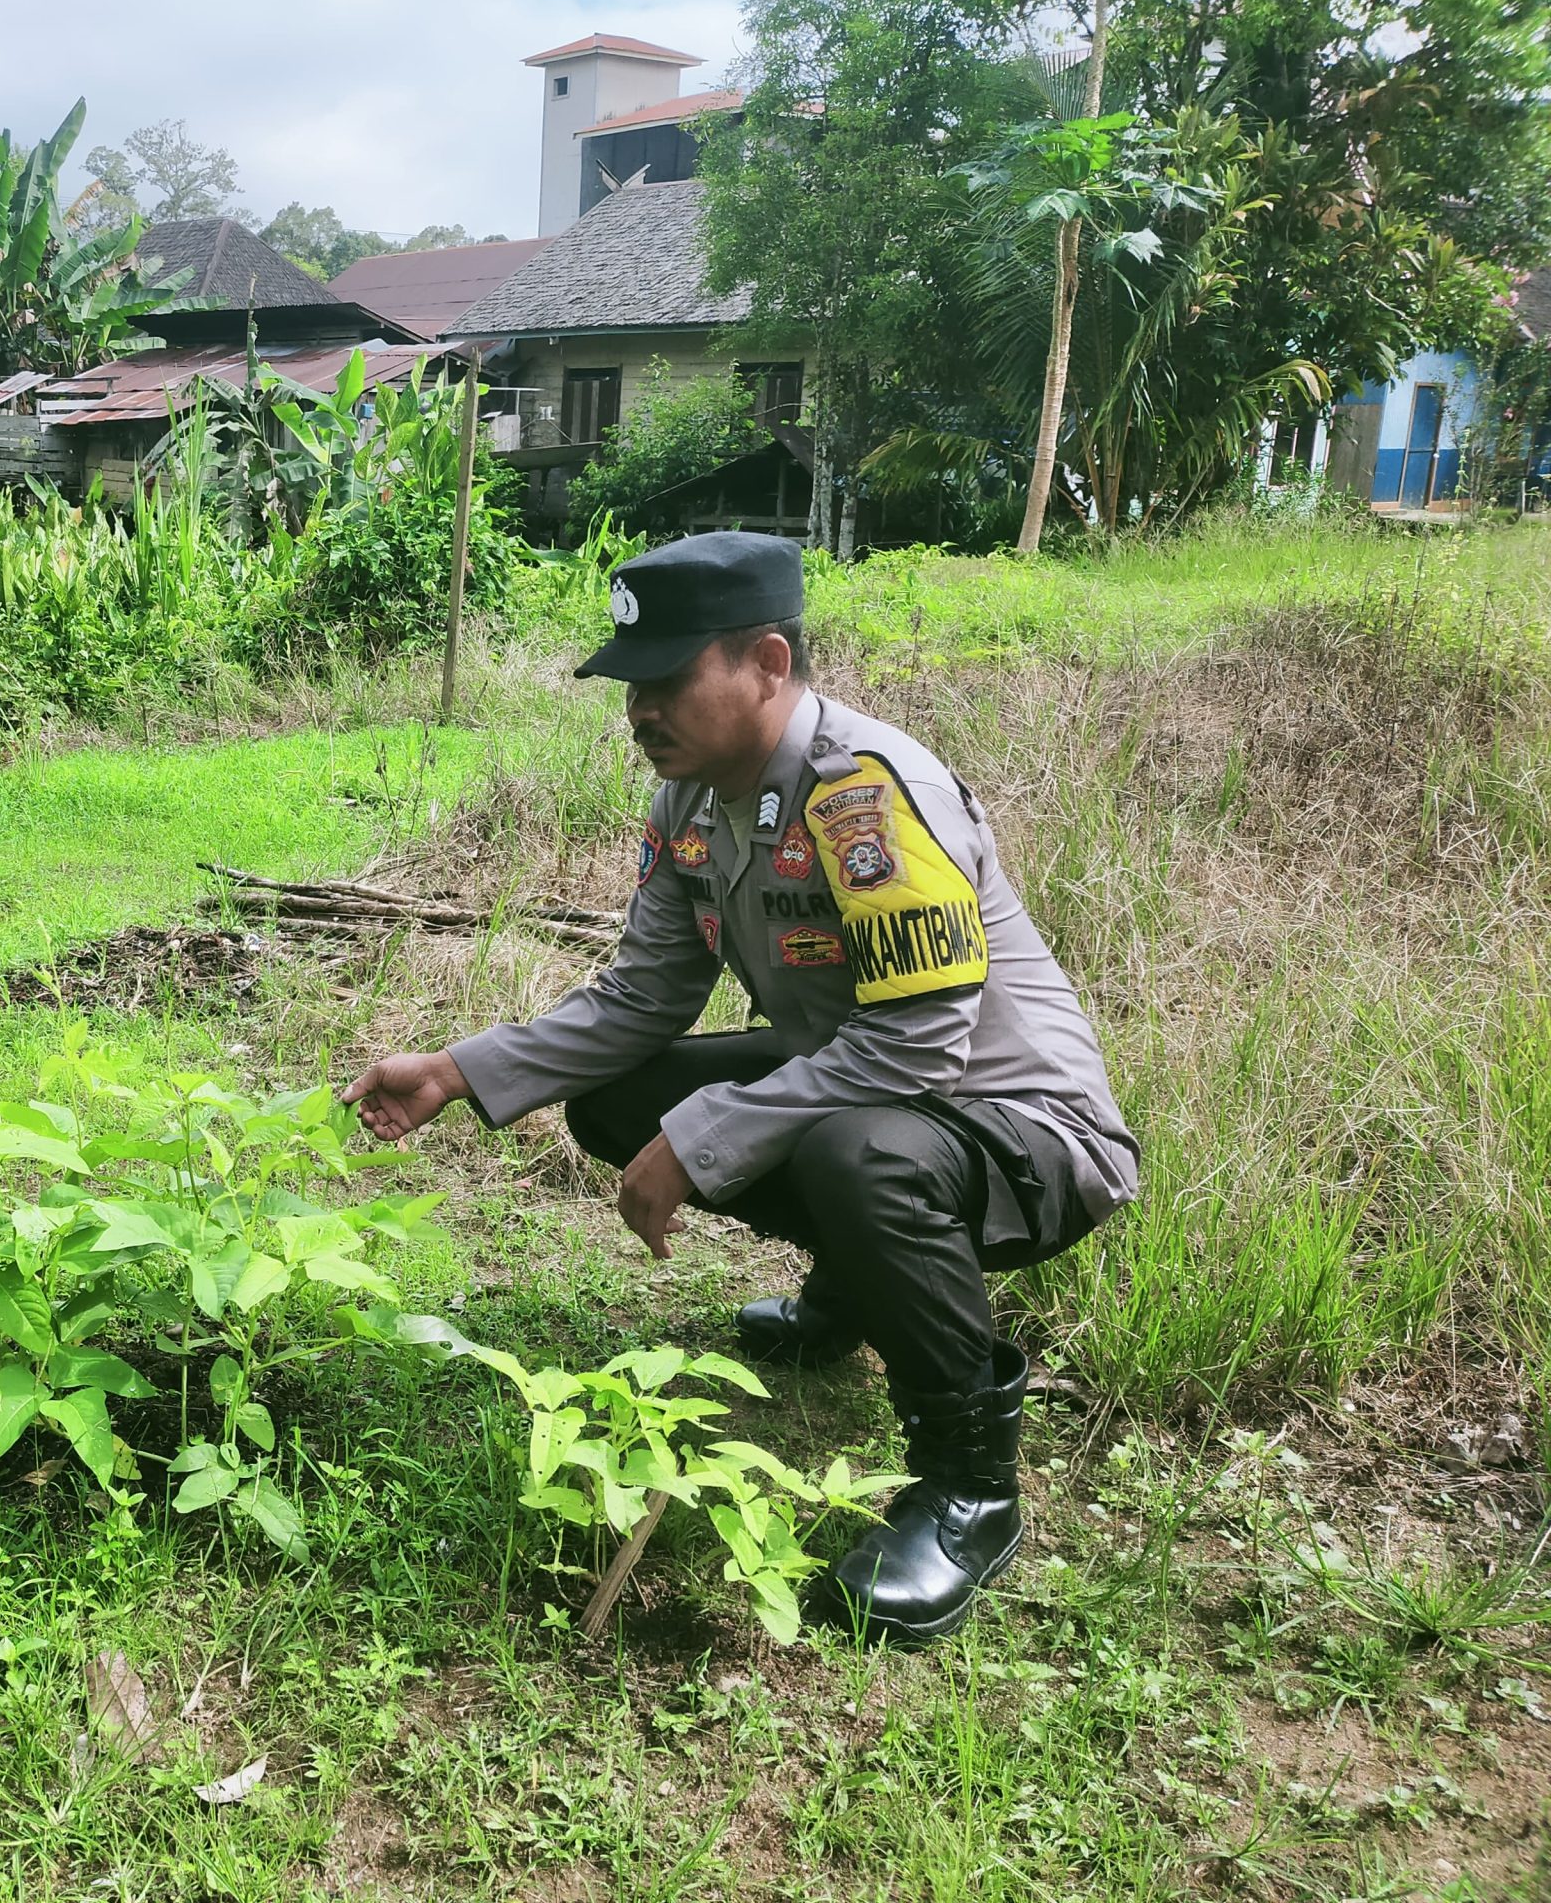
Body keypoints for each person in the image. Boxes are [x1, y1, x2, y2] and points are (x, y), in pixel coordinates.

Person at [342, 531, 1137, 1643]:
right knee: (621, 1100)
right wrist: (461, 1070)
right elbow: (639, 1001)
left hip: (1025, 1129)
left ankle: (969, 1489)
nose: (640, 712)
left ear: (767, 663)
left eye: (667, 680)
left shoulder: (863, 796)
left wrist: (709, 1133)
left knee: (847, 1152)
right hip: (888, 1096)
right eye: (630, 686)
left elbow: (918, 1040)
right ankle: (858, 1287)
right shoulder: (692, 805)